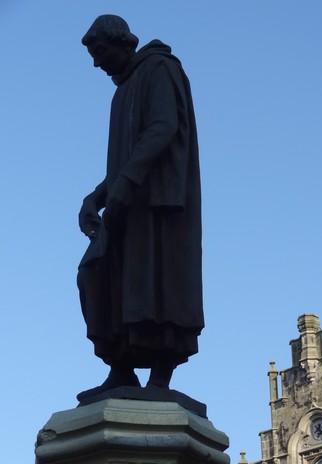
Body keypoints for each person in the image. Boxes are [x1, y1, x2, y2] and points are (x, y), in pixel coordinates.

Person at [77, 15, 204, 394]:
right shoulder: (123, 91)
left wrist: (126, 183)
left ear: (121, 41)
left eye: (99, 52)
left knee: (157, 286)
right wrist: (97, 195)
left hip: (159, 204)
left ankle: (160, 379)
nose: (96, 63)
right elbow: (125, 158)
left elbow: (163, 128)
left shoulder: (160, 68)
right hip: (128, 202)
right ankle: (121, 370)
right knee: (98, 276)